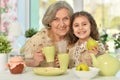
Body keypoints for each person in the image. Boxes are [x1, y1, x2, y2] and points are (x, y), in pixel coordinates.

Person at [20, 1, 73, 67]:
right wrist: (35, 62)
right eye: (56, 19)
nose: (62, 24)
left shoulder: (75, 37)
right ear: (49, 21)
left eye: (66, 19)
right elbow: (21, 61)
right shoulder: (39, 39)